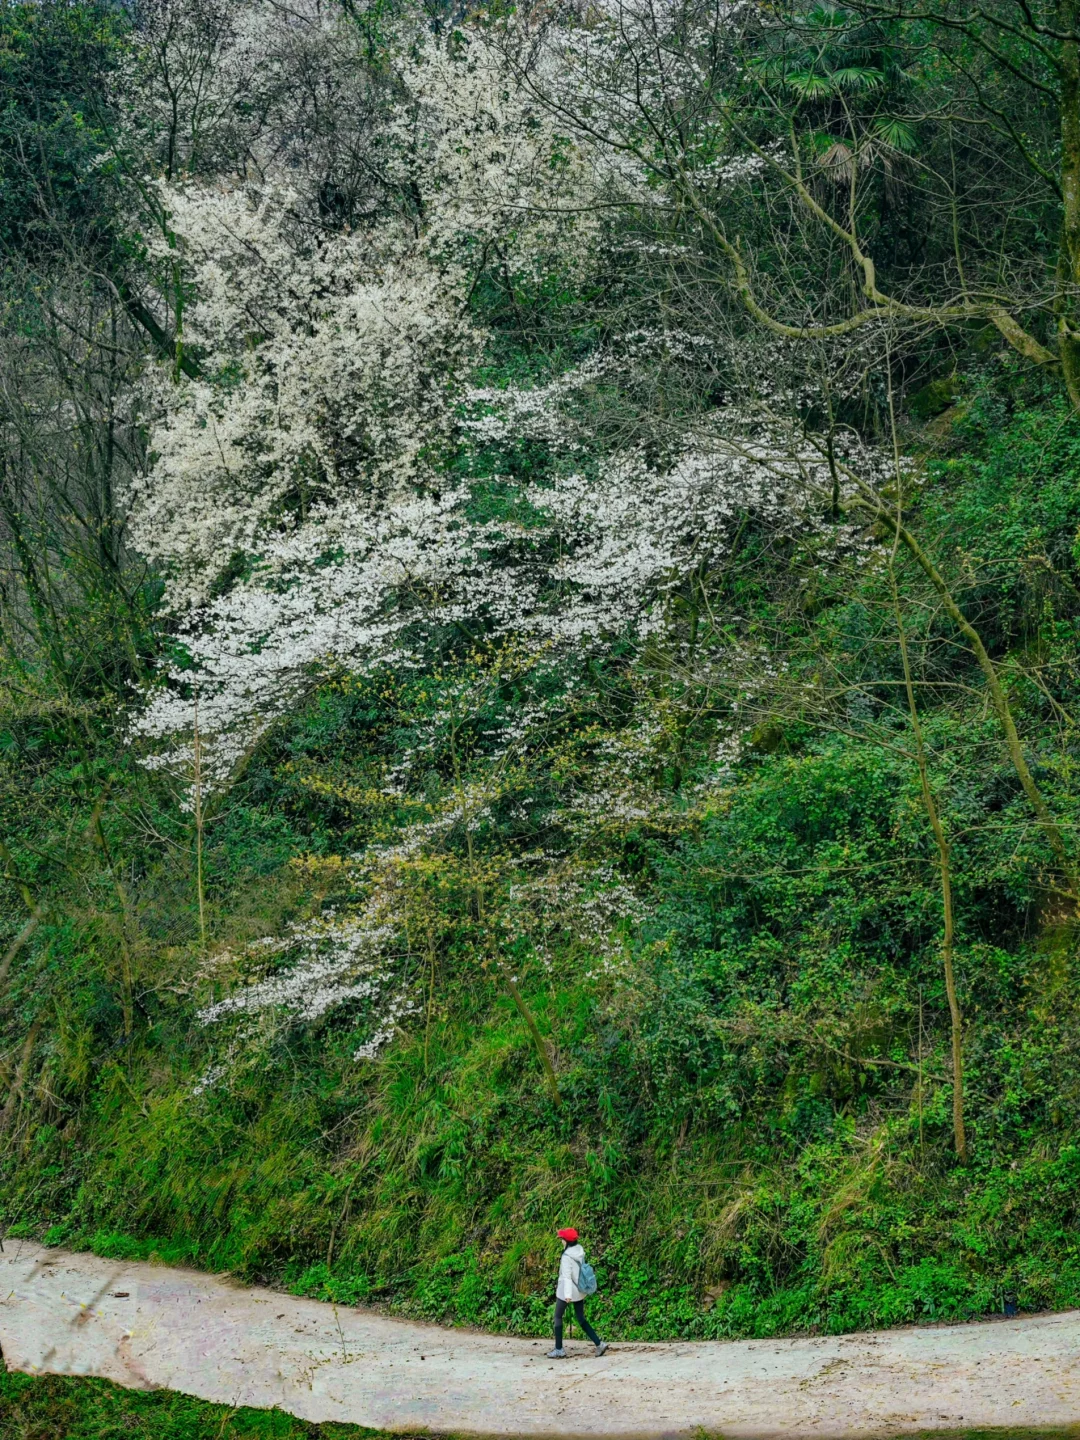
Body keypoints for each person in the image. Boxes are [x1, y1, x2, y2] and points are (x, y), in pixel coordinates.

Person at [548, 1227, 608, 1358]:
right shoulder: (579, 1250)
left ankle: (559, 1349)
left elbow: (566, 1277)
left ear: (566, 1241)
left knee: (558, 1316)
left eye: (562, 1239)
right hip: (580, 1290)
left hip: (566, 1291)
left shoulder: (566, 1257)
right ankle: (599, 1344)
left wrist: (567, 1295)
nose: (561, 1241)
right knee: (581, 1318)